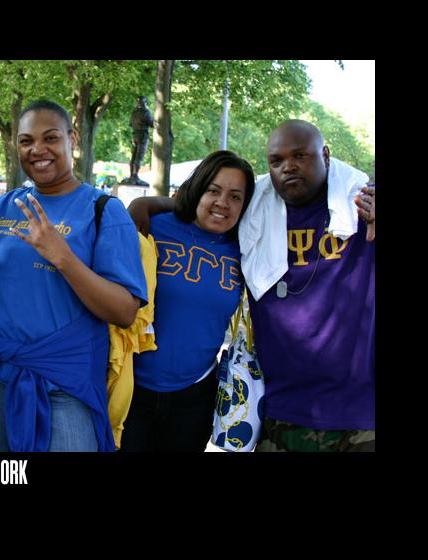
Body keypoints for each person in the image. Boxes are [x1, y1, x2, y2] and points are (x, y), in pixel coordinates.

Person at [128, 119, 375, 452]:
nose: (289, 166)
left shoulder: (357, 207)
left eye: (300, 155)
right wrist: (142, 204)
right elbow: (202, 207)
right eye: (277, 160)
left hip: (356, 410)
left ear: (326, 155)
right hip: (280, 407)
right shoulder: (252, 217)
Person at [0, 100, 148, 452]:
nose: (37, 149)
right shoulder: (1, 206)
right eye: (26, 141)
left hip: (63, 386)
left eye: (50, 138)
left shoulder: (103, 211)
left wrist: (62, 256)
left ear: (72, 139)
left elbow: (124, 311)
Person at [119, 150, 255, 452]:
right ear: (198, 188)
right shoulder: (152, 226)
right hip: (131, 389)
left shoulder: (246, 248)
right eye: (213, 190)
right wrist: (142, 203)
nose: (222, 203)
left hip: (194, 397)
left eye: (235, 196)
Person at [123, 96, 154, 186]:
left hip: (134, 135)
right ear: (145, 103)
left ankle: (132, 175)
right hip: (143, 136)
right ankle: (135, 175)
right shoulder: (146, 112)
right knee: (139, 157)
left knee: (133, 157)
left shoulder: (134, 113)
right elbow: (152, 124)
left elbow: (130, 124)